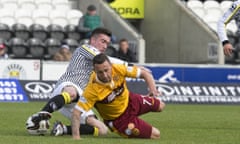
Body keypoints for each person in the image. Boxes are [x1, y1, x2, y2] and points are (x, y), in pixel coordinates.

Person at [26, 28, 128, 137]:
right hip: (69, 84)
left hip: (79, 99)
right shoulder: (84, 48)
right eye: (103, 41)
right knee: (72, 93)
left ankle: (62, 129)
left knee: (102, 130)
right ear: (93, 40)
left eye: (107, 43)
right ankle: (41, 115)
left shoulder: (101, 66)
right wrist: (130, 67)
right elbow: (106, 60)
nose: (105, 46)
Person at [72, 53, 165, 140]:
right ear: (94, 71)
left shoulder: (119, 69)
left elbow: (145, 73)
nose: (104, 75)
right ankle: (133, 125)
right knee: (156, 134)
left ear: (111, 65)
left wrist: (153, 90)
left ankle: (136, 122)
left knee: (161, 106)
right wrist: (76, 137)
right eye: (100, 72)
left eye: (106, 70)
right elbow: (76, 112)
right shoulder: (92, 90)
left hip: (131, 100)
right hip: (119, 120)